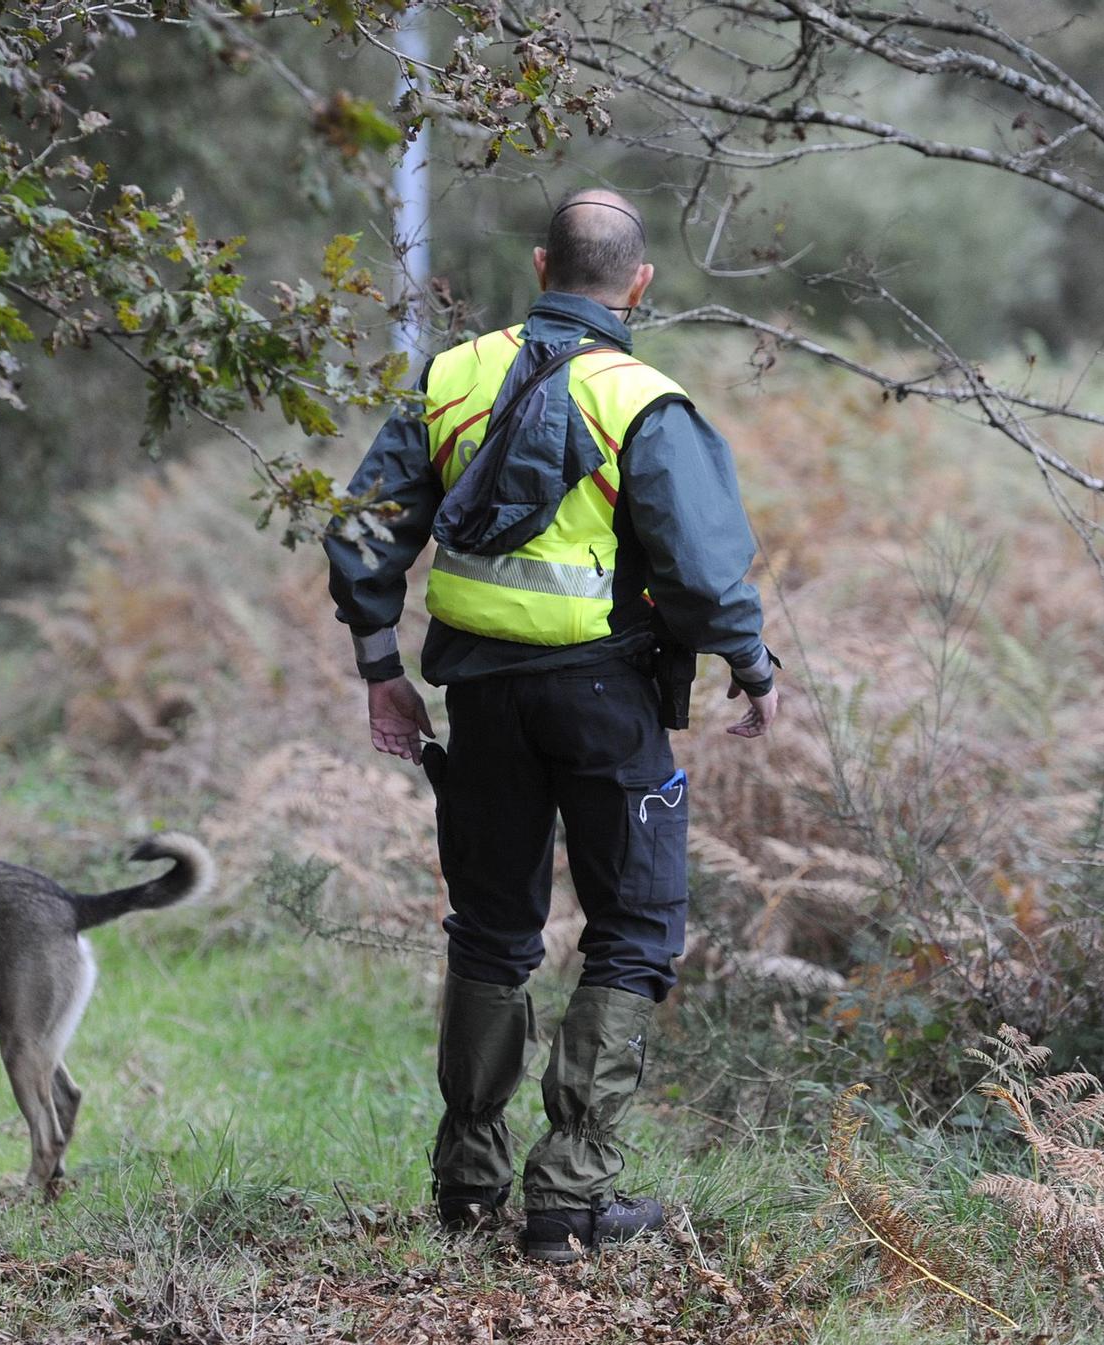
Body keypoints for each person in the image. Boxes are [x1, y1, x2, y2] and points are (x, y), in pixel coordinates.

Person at [323, 188, 778, 1262]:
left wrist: (379, 666)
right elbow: (707, 575)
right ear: (638, 282)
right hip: (606, 703)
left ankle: (467, 1182)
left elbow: (361, 534)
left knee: (488, 926)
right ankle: (568, 1197)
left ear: (538, 264)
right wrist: (750, 667)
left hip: (478, 699)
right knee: (632, 926)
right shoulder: (641, 401)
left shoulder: (450, 375)